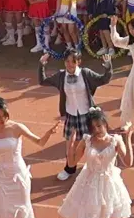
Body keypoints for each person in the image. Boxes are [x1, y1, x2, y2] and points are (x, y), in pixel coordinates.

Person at [57, 108, 134, 218]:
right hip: (89, 183)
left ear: (105, 124)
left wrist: (128, 139)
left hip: (109, 185)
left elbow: (128, 162)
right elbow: (72, 163)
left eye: (99, 126)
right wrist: (71, 145)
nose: (97, 130)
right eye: (93, 127)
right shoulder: (86, 140)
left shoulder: (115, 141)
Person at [39, 50, 113, 181]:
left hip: (87, 115)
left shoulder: (85, 73)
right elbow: (43, 81)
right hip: (71, 115)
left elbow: (103, 79)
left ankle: (100, 168)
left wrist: (108, 66)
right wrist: (41, 65)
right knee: (71, 146)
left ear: (79, 62)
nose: (70, 64)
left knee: (94, 143)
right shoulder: (61, 76)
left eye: (73, 61)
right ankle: (69, 169)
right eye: (67, 61)